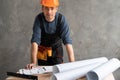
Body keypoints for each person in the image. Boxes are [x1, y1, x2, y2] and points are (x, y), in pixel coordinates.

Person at [26, 0, 75, 69]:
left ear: (56, 9)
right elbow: (35, 42)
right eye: (46, 8)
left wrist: (72, 64)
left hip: (56, 51)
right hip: (42, 51)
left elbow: (67, 42)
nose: (49, 12)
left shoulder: (61, 20)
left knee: (57, 71)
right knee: (42, 71)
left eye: (52, 8)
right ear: (42, 8)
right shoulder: (39, 19)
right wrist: (33, 63)